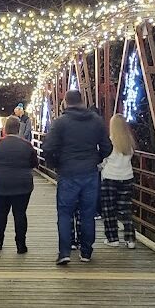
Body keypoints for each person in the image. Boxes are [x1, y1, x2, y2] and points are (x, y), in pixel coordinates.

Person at [43, 90, 112, 265]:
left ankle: (65, 252)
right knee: (88, 213)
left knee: (65, 213)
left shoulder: (60, 123)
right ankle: (86, 252)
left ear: (66, 102)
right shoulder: (96, 121)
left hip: (67, 172)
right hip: (90, 173)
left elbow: (48, 148)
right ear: (82, 101)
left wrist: (56, 164)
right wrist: (95, 159)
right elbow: (107, 147)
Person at [0, 116, 38, 253]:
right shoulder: (26, 145)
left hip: (2, 183)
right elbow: (34, 163)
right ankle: (21, 245)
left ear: (5, 128)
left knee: (0, 213)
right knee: (20, 214)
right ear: (18, 128)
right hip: (23, 184)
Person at [101, 114, 137, 249]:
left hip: (110, 178)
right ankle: (130, 239)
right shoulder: (130, 143)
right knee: (125, 209)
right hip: (127, 177)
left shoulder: (109, 143)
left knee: (109, 209)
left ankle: (112, 238)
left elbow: (103, 160)